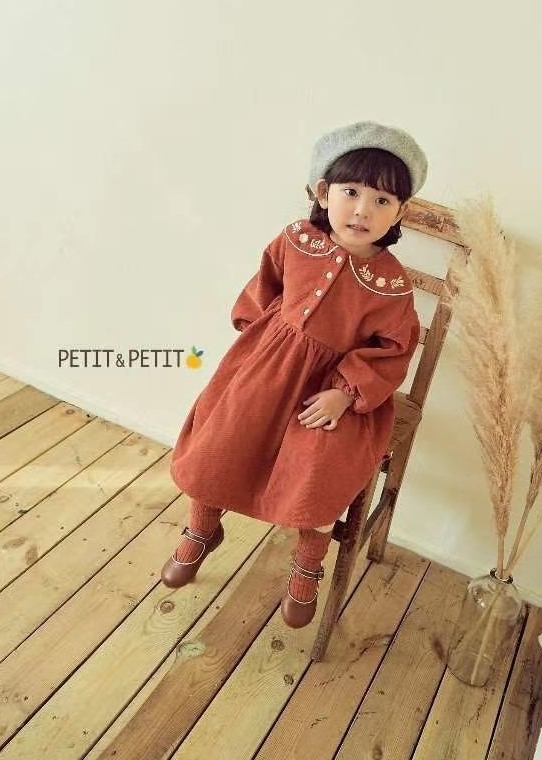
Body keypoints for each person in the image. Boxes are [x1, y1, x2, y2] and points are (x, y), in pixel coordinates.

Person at [161, 121, 427, 629]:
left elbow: (393, 350)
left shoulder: (392, 286)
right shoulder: (296, 241)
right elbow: (265, 288)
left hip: (331, 395)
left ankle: (308, 562)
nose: (363, 210)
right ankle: (202, 527)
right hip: (269, 369)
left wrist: (345, 394)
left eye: (382, 201)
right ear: (324, 193)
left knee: (320, 469)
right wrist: (255, 344)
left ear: (399, 213)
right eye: (351, 193)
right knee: (221, 438)